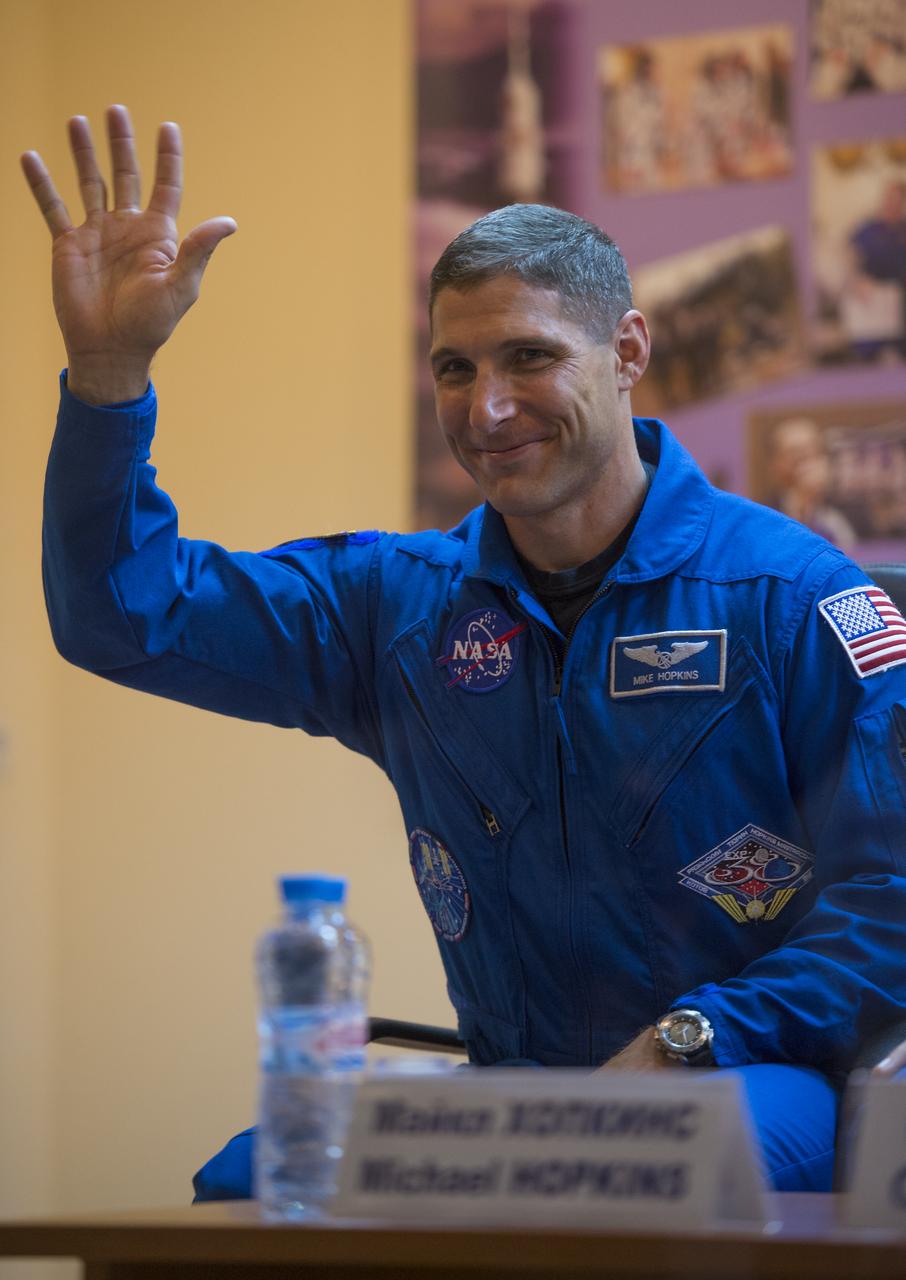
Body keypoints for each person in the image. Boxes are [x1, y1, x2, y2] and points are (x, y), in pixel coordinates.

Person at [22, 107, 906, 1201]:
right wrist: (110, 379)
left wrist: (693, 1035)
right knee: (250, 1181)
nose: (487, 408)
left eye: (529, 356)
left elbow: (895, 898)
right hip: (519, 1099)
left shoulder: (794, 598)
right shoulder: (396, 607)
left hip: (748, 1076)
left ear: (629, 349)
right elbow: (121, 611)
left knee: (642, 1172)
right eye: (454, 366)